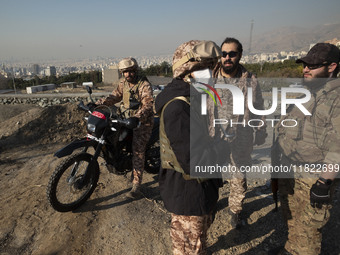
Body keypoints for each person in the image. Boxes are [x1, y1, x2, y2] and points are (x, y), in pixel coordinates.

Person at [155, 40, 225, 255]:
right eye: (201, 68)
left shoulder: (194, 96)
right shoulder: (178, 106)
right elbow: (193, 161)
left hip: (199, 190)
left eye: (210, 67)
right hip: (189, 195)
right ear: (185, 70)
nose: (209, 73)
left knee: (198, 243)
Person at [271, 43, 340, 255]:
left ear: (332, 67)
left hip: (313, 175)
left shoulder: (336, 98)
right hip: (290, 170)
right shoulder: (307, 91)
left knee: (309, 229)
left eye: (313, 65)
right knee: (292, 219)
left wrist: (324, 182)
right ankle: (291, 249)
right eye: (304, 65)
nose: (306, 70)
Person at [212, 37, 267, 228]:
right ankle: (210, 205)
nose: (227, 58)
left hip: (241, 136)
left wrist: (261, 130)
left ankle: (235, 209)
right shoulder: (209, 77)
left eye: (232, 54)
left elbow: (259, 107)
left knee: (238, 174)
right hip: (215, 135)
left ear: (240, 55)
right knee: (211, 173)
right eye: (224, 54)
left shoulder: (251, 80)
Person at [96, 57, 154, 198]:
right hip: (125, 119)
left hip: (142, 122)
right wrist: (99, 104)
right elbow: (115, 96)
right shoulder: (123, 83)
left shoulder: (144, 85)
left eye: (130, 71)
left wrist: (137, 117)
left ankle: (136, 186)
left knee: (138, 152)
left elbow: (148, 105)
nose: (128, 74)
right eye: (125, 72)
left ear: (136, 70)